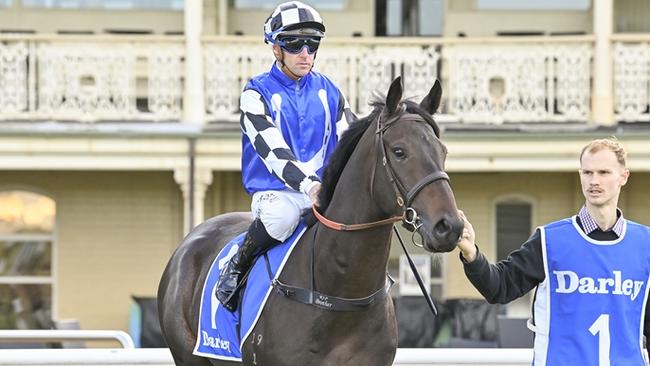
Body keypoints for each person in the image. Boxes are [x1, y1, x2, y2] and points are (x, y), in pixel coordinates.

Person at [457, 138, 650, 365]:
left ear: (623, 177)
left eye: (604, 172)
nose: (594, 181)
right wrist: (471, 253)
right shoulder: (550, 241)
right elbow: (500, 287)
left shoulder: (645, 244)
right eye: (587, 172)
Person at [215, 1, 354, 312]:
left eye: (312, 44)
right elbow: (274, 152)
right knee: (283, 217)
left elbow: (350, 140)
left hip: (322, 192)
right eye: (294, 44)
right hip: (276, 194)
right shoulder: (256, 93)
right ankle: (238, 265)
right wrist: (310, 187)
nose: (305, 52)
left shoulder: (329, 90)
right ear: (276, 49)